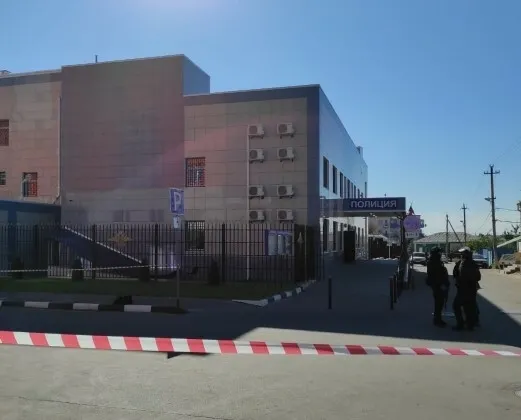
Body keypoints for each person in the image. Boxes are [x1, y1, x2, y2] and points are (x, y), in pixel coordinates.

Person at [452, 247, 481, 331]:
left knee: (456, 306)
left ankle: (460, 324)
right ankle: (470, 326)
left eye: (462, 254)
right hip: (472, 290)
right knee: (469, 308)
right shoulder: (474, 263)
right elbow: (478, 277)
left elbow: (455, 274)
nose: (461, 255)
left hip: (462, 289)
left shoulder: (461, 263)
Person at [426, 247, 450, 327]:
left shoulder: (435, 261)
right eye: (439, 253)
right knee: (439, 303)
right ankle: (437, 320)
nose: (440, 254)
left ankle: (438, 319)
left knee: (440, 303)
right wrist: (442, 284)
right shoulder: (433, 262)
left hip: (438, 285)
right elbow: (436, 275)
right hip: (438, 285)